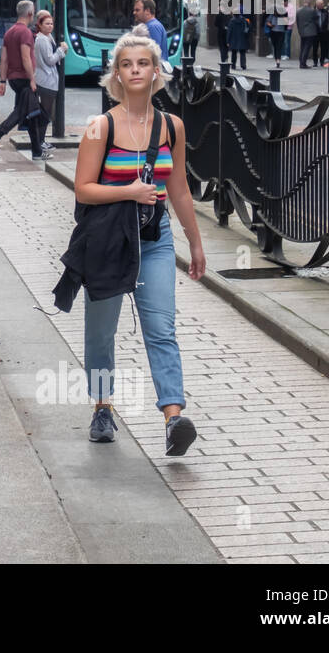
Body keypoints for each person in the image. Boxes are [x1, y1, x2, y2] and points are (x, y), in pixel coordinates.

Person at [66, 31, 205, 456]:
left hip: (155, 239)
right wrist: (128, 191)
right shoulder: (100, 127)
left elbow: (178, 188)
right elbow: (83, 189)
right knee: (101, 332)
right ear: (117, 75)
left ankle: (173, 417)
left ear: (156, 71)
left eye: (143, 63)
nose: (135, 71)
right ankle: (103, 408)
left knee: (161, 328)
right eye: (127, 65)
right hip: (109, 241)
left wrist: (195, 244)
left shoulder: (171, 127)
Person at [0, 0, 43, 160]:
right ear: (29, 14)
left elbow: (4, 59)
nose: (34, 15)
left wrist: (2, 81)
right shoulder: (25, 33)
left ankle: (37, 152)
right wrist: (32, 79)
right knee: (20, 114)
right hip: (24, 79)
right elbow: (26, 58)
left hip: (14, 79)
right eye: (33, 12)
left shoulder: (10, 32)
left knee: (32, 113)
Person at [32, 10, 67, 160]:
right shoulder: (41, 40)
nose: (50, 26)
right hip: (46, 80)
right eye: (47, 24)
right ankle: (39, 143)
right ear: (39, 25)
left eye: (51, 23)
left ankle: (41, 142)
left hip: (48, 80)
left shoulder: (47, 37)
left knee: (45, 113)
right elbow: (50, 60)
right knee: (45, 114)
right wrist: (62, 50)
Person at [297, 0, 319, 68]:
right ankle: (303, 63)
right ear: (310, 2)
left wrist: (299, 30)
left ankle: (301, 62)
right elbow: (317, 19)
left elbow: (297, 22)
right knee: (307, 48)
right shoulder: (312, 10)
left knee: (302, 47)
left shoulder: (298, 10)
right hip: (310, 32)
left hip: (302, 32)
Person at [315, 0, 329, 68]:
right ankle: (315, 62)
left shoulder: (326, 12)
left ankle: (322, 61)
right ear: (318, 5)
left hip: (324, 32)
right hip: (316, 32)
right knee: (315, 47)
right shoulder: (313, 11)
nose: (323, 5)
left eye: (323, 3)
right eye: (322, 4)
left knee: (324, 47)